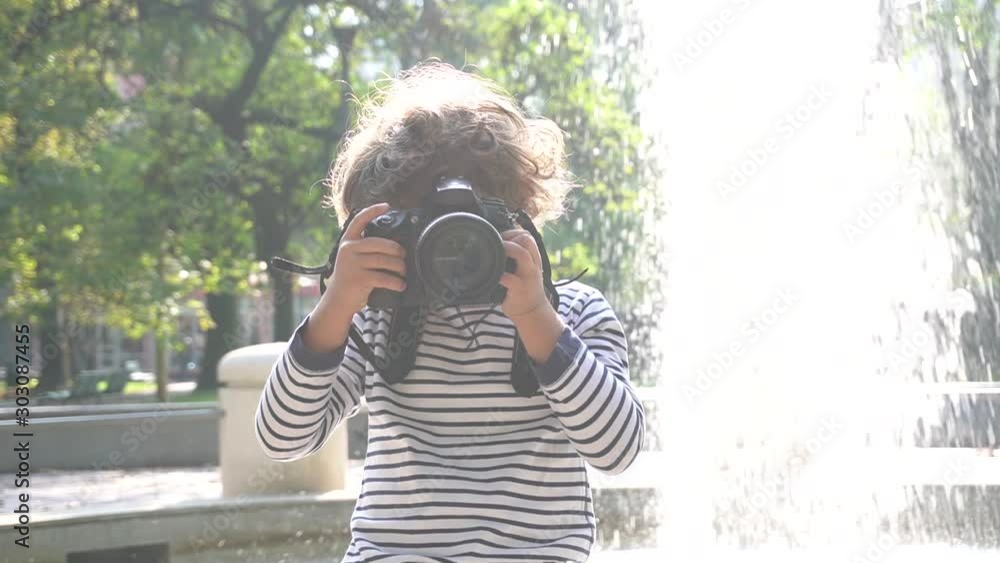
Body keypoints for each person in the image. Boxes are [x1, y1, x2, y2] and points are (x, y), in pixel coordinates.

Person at [254, 61, 645, 563]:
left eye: (468, 224)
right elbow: (282, 438)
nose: (448, 247)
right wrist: (337, 306)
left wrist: (536, 318)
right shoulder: (376, 314)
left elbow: (617, 450)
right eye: (421, 225)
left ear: (519, 214)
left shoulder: (573, 312)